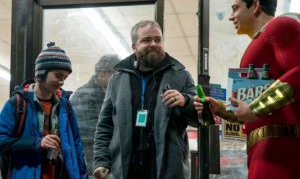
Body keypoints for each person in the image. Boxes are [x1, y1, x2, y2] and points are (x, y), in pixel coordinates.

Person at [194, 0, 300, 179]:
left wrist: (255, 108)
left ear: (255, 5)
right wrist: (220, 108)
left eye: (235, 8)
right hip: (266, 151)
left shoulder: (281, 25)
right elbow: (250, 109)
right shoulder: (261, 41)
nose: (230, 17)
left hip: (282, 151)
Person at [93, 20, 198, 179]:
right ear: (134, 46)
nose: (153, 44)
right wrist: (101, 161)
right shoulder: (117, 81)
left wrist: (186, 101)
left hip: (167, 169)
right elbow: (104, 126)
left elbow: (199, 118)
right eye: (146, 40)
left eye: (158, 39)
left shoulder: (181, 76)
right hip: (125, 169)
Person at [0, 42, 87, 179]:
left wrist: (82, 175)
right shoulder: (17, 104)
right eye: (58, 76)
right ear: (40, 75)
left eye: (65, 77)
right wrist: (37, 143)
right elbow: (2, 141)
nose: (62, 82)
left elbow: (76, 144)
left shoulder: (65, 106)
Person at [71, 54, 120, 177]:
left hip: (106, 159)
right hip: (91, 161)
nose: (119, 79)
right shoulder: (84, 95)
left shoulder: (113, 93)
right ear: (102, 74)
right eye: (116, 74)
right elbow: (89, 133)